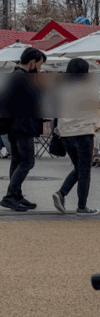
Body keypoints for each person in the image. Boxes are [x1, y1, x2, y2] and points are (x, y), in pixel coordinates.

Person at [0, 47, 46, 212]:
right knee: (28, 161)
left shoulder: (13, 76)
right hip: (23, 126)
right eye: (39, 65)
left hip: (12, 127)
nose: (40, 69)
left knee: (16, 161)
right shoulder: (25, 80)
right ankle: (10, 196)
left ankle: (16, 195)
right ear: (32, 63)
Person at [53, 58, 100, 216]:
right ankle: (81, 207)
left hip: (65, 134)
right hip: (83, 133)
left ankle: (61, 194)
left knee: (79, 168)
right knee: (85, 170)